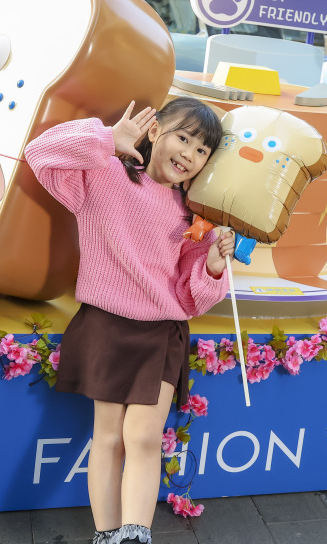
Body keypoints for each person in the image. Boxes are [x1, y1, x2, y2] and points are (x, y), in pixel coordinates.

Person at [24, 97, 235, 544]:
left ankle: (136, 535)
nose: (189, 154)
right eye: (183, 138)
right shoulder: (104, 173)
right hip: (106, 323)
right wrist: (106, 138)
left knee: (142, 437)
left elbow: (192, 296)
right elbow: (39, 153)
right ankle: (106, 536)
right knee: (107, 438)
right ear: (154, 131)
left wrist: (214, 267)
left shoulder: (194, 215)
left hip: (161, 331)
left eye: (202, 150)